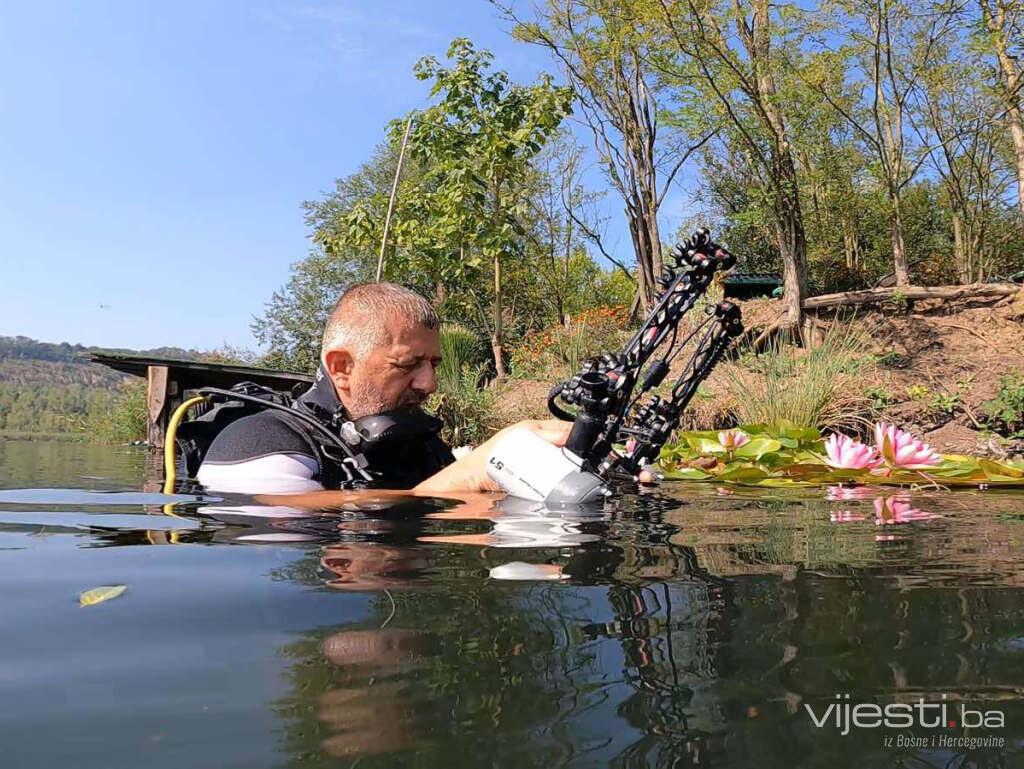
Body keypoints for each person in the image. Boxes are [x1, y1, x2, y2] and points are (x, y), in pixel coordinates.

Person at [196, 282, 570, 499]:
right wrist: (468, 476)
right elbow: (274, 512)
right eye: (408, 365)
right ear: (342, 367)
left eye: (433, 365)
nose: (429, 384)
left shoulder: (418, 445)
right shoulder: (259, 438)